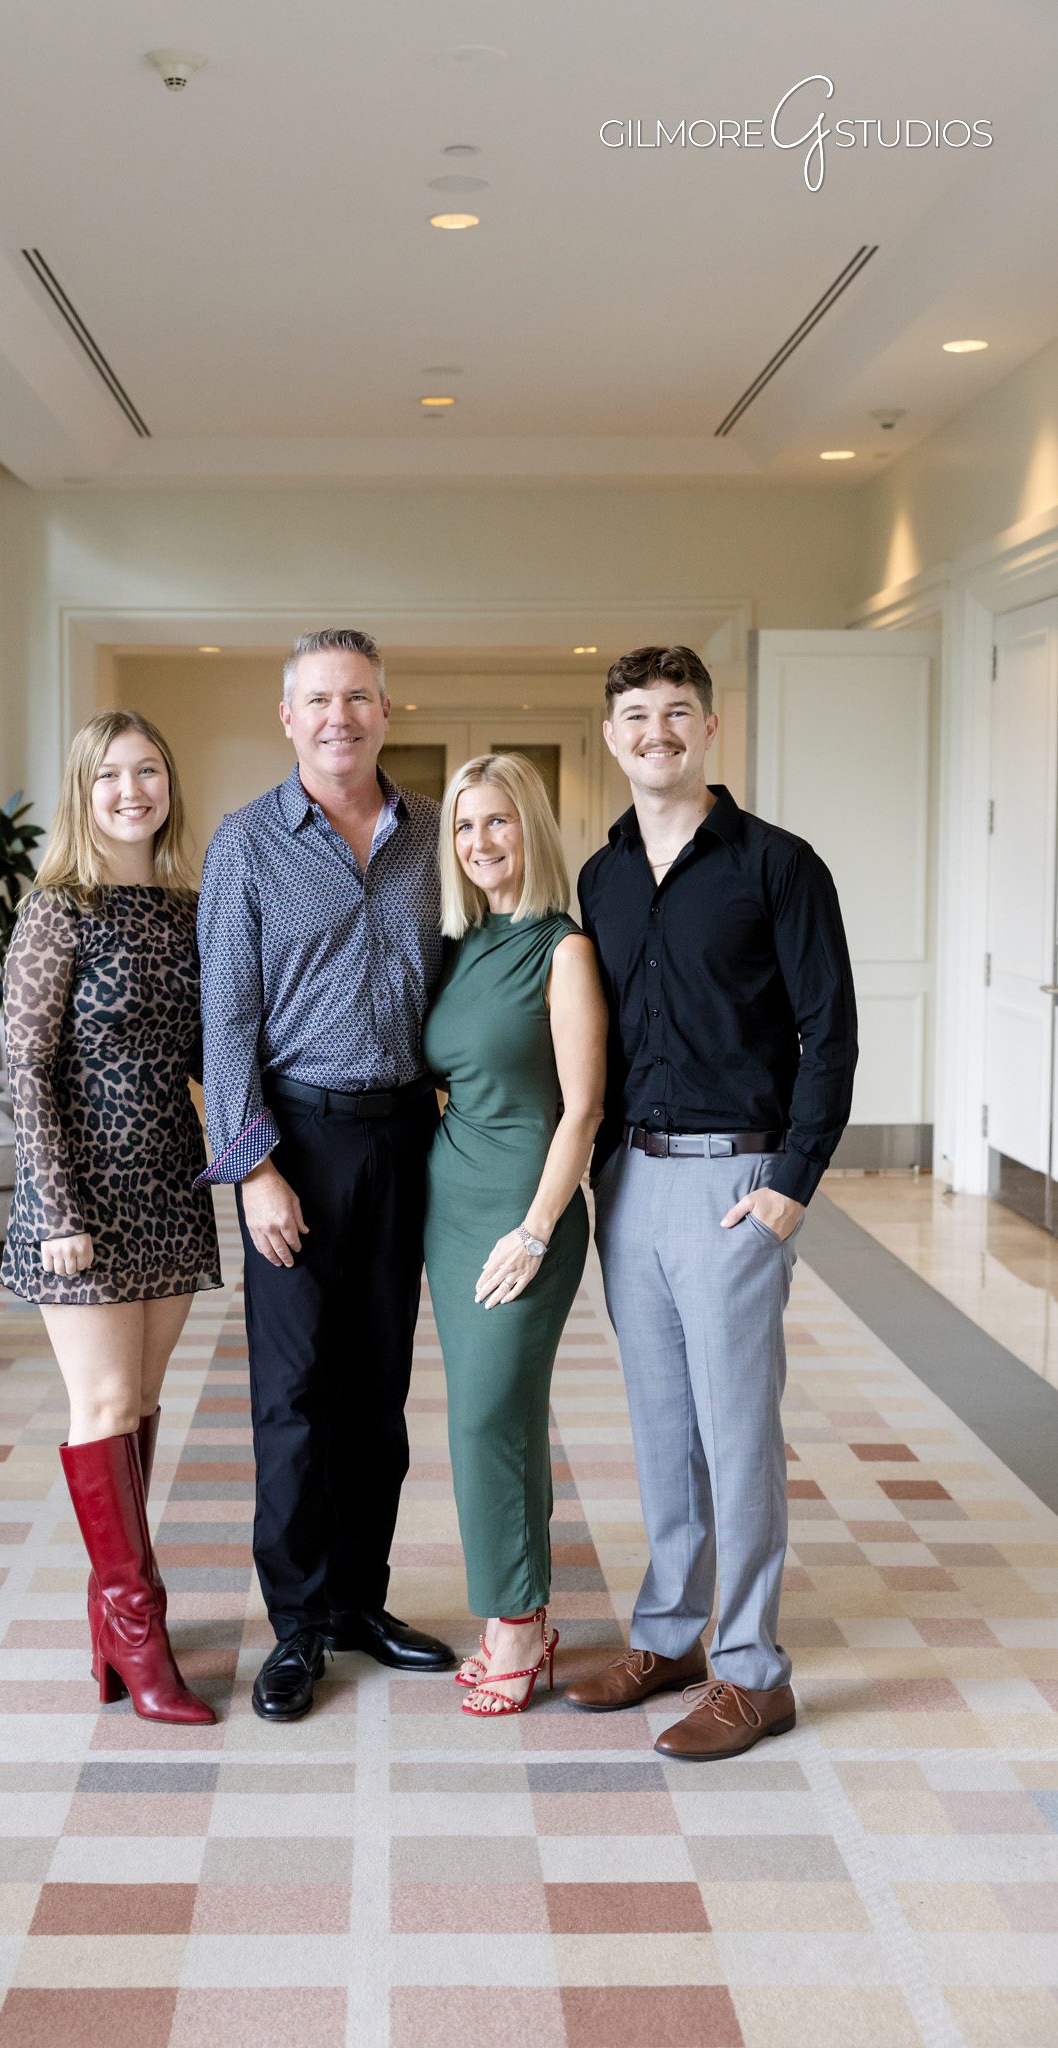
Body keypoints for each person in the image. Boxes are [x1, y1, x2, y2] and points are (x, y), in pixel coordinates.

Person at [565, 645, 857, 1759]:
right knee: (659, 1430)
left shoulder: (779, 865)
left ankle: (752, 1670)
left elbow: (830, 1034)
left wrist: (789, 1188)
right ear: (611, 736)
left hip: (740, 1179)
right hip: (631, 1180)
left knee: (739, 1434)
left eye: (676, 712)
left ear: (711, 727)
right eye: (635, 715)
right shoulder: (601, 877)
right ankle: (672, 1633)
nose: (656, 732)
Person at [197, 628, 455, 1722]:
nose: (340, 715)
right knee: (295, 1400)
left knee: (380, 1396)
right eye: (319, 699)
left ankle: (359, 1600)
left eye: (358, 696)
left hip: (404, 1142)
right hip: (294, 1143)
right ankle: (298, 1622)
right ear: (289, 717)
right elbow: (225, 1024)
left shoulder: (434, 838)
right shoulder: (248, 842)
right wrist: (256, 1170)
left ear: (386, 711)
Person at [0, 708, 220, 1725]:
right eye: (111, 777)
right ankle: (140, 1628)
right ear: (83, 794)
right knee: (101, 1403)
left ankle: (110, 1627)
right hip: (81, 1196)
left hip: (169, 1186)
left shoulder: (184, 908)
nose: (133, 790)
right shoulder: (58, 909)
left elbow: (204, 1060)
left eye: (149, 771)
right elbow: (27, 1068)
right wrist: (55, 1206)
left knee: (136, 1404)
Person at [423, 755, 607, 1717]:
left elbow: (581, 1110)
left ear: (530, 829)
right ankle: (529, 1617)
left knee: (484, 1415)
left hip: (524, 1210)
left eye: (497, 823)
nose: (480, 843)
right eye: (464, 827)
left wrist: (536, 1230)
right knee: (500, 1415)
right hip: (449, 1206)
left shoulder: (562, 948)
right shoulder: (460, 942)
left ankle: (510, 1625)